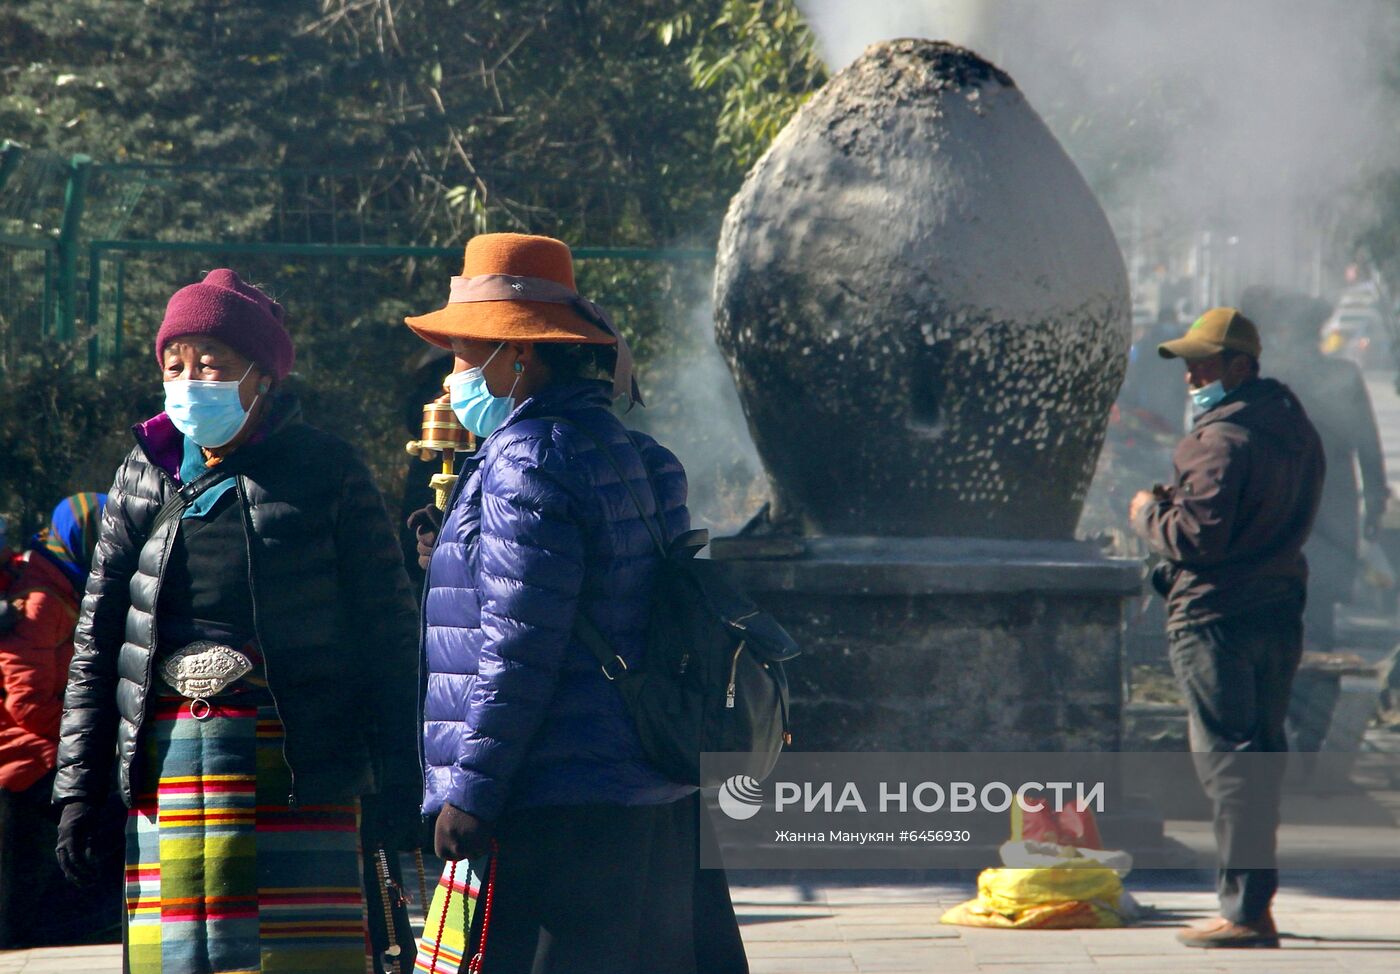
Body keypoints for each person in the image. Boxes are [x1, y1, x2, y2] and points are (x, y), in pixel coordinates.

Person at [52, 269, 422, 973]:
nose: (189, 380)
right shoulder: (143, 473)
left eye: (211, 364)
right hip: (170, 767)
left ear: (263, 376)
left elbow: (389, 634)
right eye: (175, 364)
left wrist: (402, 778)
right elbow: (97, 643)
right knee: (182, 958)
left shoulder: (328, 472)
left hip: (297, 769)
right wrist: (77, 791)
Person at [404, 232, 748, 973]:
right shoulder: (632, 450)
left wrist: (472, 790)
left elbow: (521, 642)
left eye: (465, 356)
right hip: (645, 783)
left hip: (558, 793)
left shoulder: (526, 458)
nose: (452, 379)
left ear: (517, 355)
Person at [1129, 307, 1325, 949]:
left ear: (1240, 366)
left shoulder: (1220, 439)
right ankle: (1253, 904)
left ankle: (1243, 912)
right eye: (1188, 365)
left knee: (1229, 763)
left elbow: (1196, 537)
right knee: (1259, 755)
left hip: (1217, 618)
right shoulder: (1294, 428)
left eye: (1204, 364)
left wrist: (1148, 512)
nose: (1191, 376)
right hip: (1278, 608)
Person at [0, 493, 123, 947]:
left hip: (38, 742)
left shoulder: (59, 583)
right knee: (105, 799)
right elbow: (27, 704)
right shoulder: (40, 598)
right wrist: (89, 742)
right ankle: (75, 919)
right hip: (23, 750)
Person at [1238, 286, 1388, 651]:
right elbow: (1368, 446)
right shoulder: (1341, 374)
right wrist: (1375, 498)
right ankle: (1314, 677)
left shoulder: (1264, 376)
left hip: (1281, 501)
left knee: (1281, 597)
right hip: (1329, 497)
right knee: (1317, 601)